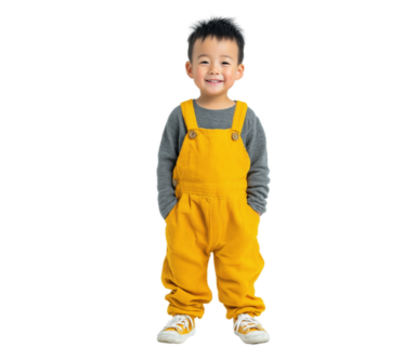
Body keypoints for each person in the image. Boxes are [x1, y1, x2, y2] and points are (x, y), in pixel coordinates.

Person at [155, 13, 272, 346]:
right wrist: (168, 207)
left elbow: (260, 166)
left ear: (240, 71)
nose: (214, 70)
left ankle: (245, 315)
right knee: (183, 262)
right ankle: (183, 315)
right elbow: (164, 162)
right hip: (187, 209)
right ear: (189, 68)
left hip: (237, 210)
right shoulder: (180, 115)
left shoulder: (247, 117)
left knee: (240, 265)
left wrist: (255, 209)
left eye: (224, 62)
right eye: (204, 61)